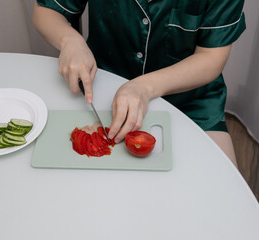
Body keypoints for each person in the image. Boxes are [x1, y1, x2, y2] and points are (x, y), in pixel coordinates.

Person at [32, 0, 246, 167]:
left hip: (191, 104)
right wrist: (69, 39)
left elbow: (211, 58)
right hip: (105, 92)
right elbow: (46, 11)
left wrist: (144, 87)